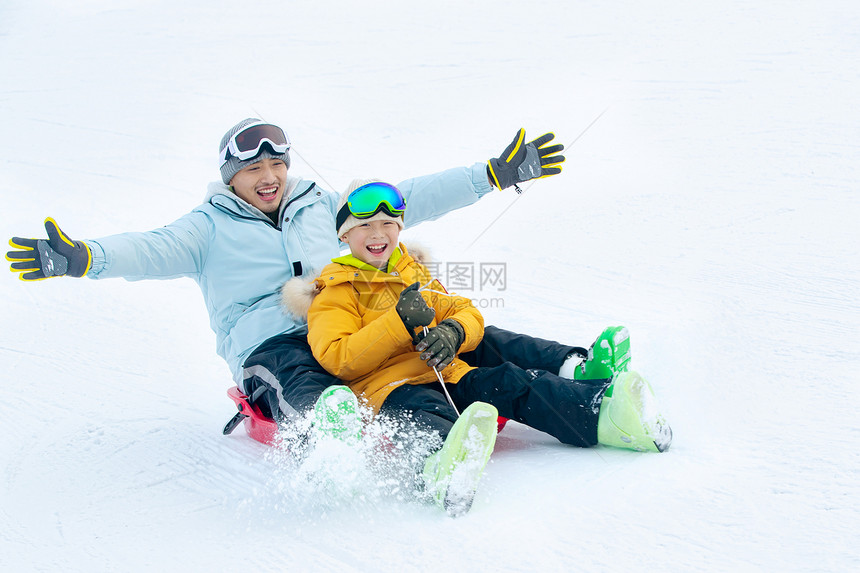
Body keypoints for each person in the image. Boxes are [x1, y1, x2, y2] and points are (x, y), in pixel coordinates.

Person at [6, 118, 584, 430]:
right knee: (305, 383)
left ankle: (568, 363)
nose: (268, 176)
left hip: (356, 320)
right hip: (272, 339)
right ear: (230, 176)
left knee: (451, 329)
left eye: (276, 164)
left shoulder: (319, 204)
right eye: (253, 167)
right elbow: (150, 249)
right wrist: (83, 257)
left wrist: (491, 175)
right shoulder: (206, 228)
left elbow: (409, 196)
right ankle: (328, 437)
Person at [283, 179, 673, 514]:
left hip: (447, 371)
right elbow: (339, 360)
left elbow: (464, 310)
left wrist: (453, 331)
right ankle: (441, 469)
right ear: (344, 235)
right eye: (365, 225)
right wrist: (397, 321)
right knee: (425, 412)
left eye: (388, 224)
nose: (378, 234)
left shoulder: (411, 273)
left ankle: (604, 414)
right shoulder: (332, 293)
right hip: (389, 392)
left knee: (513, 381)